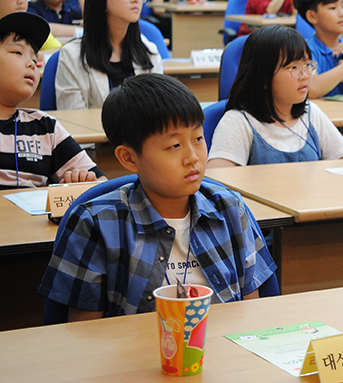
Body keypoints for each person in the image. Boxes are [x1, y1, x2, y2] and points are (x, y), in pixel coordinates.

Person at [39, 73, 277, 319]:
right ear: (129, 158)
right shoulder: (96, 224)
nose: (193, 157)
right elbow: (85, 336)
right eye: (174, 146)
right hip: (134, 355)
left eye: (197, 139)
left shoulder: (229, 209)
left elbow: (252, 315)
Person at [0, 12, 101, 193]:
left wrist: (83, 180)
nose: (31, 64)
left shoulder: (45, 128)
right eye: (18, 52)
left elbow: (100, 184)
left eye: (34, 58)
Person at [207, 26, 343, 167]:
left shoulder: (311, 113)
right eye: (293, 67)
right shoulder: (238, 122)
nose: (305, 75)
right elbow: (219, 186)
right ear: (264, 78)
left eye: (308, 65)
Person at [56, 0, 163, 110]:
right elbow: (73, 117)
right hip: (94, 131)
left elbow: (159, 109)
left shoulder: (148, 51)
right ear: (101, 1)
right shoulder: (72, 55)